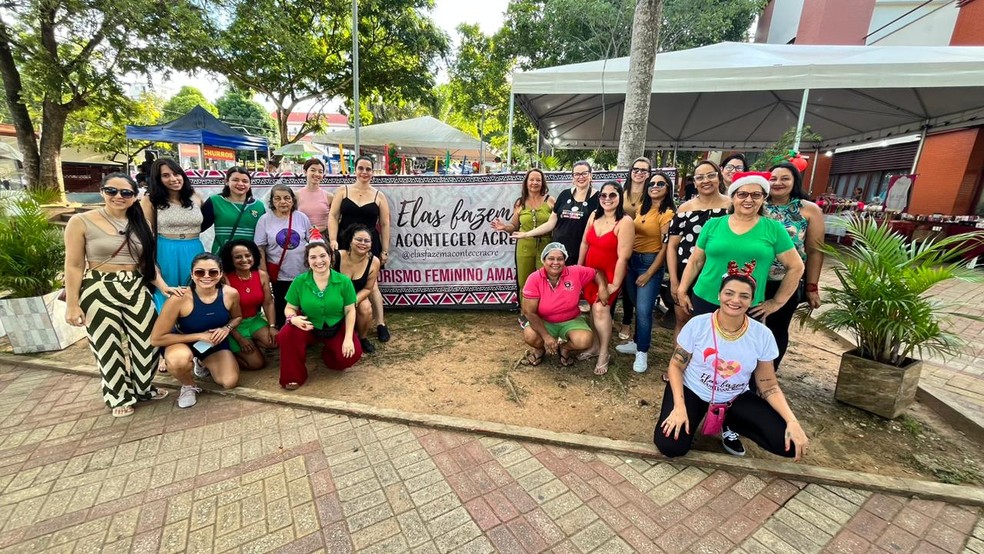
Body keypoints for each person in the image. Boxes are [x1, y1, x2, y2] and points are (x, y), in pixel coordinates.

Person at [655, 267, 809, 461]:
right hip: (692, 390)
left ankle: (729, 421)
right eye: (729, 293)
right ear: (719, 295)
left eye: (744, 296)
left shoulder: (762, 335)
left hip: (733, 397)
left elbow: (768, 384)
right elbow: (676, 366)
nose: (735, 300)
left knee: (789, 445)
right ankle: (691, 414)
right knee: (670, 446)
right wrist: (679, 407)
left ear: (752, 300)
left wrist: (792, 421)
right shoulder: (698, 325)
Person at [64, 173, 166, 418]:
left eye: (126, 193)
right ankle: (117, 395)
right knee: (107, 345)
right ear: (102, 192)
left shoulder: (142, 223)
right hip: (99, 286)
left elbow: (148, 263)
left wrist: (163, 287)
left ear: (134, 196)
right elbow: (74, 265)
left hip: (136, 285)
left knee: (148, 341)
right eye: (112, 191)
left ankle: (142, 387)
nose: (119, 197)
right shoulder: (81, 221)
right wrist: (72, 304)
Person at [151, 253, 243, 409]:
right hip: (181, 341)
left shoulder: (230, 294)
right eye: (200, 272)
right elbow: (156, 339)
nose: (206, 276)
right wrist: (200, 336)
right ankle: (187, 385)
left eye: (213, 272)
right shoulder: (179, 298)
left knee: (229, 382)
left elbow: (237, 317)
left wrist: (226, 328)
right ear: (192, 274)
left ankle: (200, 362)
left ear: (220, 274)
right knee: (178, 361)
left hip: (212, 343)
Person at [763, 162, 825, 369]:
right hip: (753, 278)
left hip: (786, 280)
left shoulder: (809, 210)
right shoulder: (757, 204)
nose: (778, 183)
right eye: (773, 179)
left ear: (795, 181)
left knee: (777, 329)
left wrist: (811, 286)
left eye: (785, 178)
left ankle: (768, 375)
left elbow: (815, 251)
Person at [278, 241, 363, 390]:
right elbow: (289, 308)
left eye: (323, 255)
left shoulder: (344, 281)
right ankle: (293, 375)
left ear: (331, 257)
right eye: (313, 257)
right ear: (307, 260)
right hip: (308, 325)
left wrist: (348, 338)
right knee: (286, 333)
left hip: (335, 326)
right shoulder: (299, 282)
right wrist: (293, 318)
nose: (319, 261)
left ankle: (328, 354)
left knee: (349, 356)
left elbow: (350, 310)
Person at [615, 171, 676, 373]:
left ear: (668, 188)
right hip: (632, 260)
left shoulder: (667, 214)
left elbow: (666, 248)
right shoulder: (643, 208)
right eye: (652, 183)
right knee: (633, 303)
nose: (655, 186)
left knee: (643, 310)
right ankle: (636, 342)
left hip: (650, 263)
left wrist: (650, 273)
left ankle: (642, 352)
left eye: (661, 183)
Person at [328, 156, 392, 343]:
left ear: (373, 171)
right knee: (342, 282)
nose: (364, 172)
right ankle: (345, 322)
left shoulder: (379, 195)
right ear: (354, 169)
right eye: (361, 168)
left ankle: (380, 323)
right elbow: (333, 216)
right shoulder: (343, 191)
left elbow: (386, 224)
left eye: (368, 169)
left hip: (369, 244)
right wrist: (332, 240)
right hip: (344, 242)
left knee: (372, 286)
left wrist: (385, 250)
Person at [666, 160, 730, 339]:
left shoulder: (731, 207)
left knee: (716, 325)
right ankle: (680, 364)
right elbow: (672, 246)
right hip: (686, 269)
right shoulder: (685, 208)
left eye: (710, 175)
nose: (706, 181)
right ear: (694, 182)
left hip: (719, 272)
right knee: (683, 320)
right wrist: (674, 281)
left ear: (719, 177)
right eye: (700, 177)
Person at [577, 181, 635, 376]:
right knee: (593, 311)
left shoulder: (625, 221)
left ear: (620, 197)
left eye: (613, 195)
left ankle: (604, 353)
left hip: (610, 274)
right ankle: (594, 346)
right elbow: (585, 242)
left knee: (601, 310)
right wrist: (579, 268)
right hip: (589, 273)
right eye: (604, 195)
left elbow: (623, 256)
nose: (607, 199)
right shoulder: (594, 215)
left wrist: (614, 284)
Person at [521, 242, 608, 367]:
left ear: (565, 260)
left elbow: (597, 272)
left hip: (571, 320)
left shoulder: (575, 272)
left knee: (584, 340)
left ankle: (564, 348)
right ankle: (540, 349)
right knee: (530, 336)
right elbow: (529, 312)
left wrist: (603, 287)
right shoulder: (534, 278)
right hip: (544, 321)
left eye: (560, 259)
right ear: (543, 260)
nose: (556, 263)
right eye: (551, 258)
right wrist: (546, 337)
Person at [141, 158, 205, 311]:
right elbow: (145, 234)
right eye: (166, 175)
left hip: (194, 248)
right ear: (158, 179)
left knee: (197, 290)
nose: (173, 179)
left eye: (176, 174)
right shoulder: (150, 200)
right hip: (166, 250)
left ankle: (195, 329)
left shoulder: (196, 197)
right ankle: (168, 330)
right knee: (168, 293)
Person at [512, 161, 599, 264]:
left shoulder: (599, 198)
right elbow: (550, 223)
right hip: (559, 254)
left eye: (584, 173)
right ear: (572, 177)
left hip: (583, 253)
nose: (580, 177)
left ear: (590, 175)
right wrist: (526, 234)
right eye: (576, 174)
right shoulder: (564, 195)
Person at [490, 168, 554, 298]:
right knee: (525, 281)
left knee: (547, 279)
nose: (534, 182)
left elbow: (557, 222)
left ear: (543, 183)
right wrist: (504, 227)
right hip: (524, 246)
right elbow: (514, 226)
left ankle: (546, 311)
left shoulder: (550, 200)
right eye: (531, 179)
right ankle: (525, 312)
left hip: (546, 245)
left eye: (538, 180)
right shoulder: (520, 203)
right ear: (526, 182)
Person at [254, 184, 312, 327]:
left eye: (287, 198)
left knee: (305, 304)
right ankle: (283, 333)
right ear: (272, 201)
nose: (283, 202)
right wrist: (264, 272)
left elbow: (311, 242)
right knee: (282, 305)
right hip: (280, 274)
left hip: (302, 272)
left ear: (293, 200)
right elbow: (260, 248)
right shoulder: (264, 220)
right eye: (278, 198)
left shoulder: (301, 217)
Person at [219, 239, 278, 370]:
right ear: (230, 259)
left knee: (275, 341)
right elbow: (224, 314)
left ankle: (253, 345)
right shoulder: (226, 278)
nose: (244, 260)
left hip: (254, 320)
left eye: (247, 255)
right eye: (238, 257)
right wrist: (240, 339)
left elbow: (268, 302)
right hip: (233, 326)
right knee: (256, 364)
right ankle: (223, 356)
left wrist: (272, 326)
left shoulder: (261, 275)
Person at [613, 157, 653, 342]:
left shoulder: (652, 194)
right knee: (615, 282)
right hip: (618, 245)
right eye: (636, 169)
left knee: (631, 290)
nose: (639, 173)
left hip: (641, 249)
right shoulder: (622, 192)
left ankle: (627, 322)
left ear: (649, 174)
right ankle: (609, 317)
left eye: (644, 170)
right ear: (630, 171)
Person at [333, 225, 381, 354]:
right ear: (350, 240)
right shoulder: (336, 257)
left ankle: (362, 338)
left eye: (367, 241)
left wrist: (353, 301)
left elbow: (368, 288)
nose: (362, 244)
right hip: (334, 296)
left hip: (356, 295)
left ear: (371, 244)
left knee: (366, 308)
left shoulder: (374, 261)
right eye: (359, 240)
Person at [201, 166, 266, 254]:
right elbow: (199, 227)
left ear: (250, 184)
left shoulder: (259, 206)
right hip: (222, 256)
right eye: (235, 180)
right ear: (227, 182)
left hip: (249, 258)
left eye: (245, 181)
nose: (240, 184)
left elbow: (264, 236)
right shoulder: (215, 201)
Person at [296, 158, 333, 233]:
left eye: (320, 172)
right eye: (313, 170)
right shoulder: (296, 195)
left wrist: (322, 228)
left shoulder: (329, 197)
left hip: (323, 236)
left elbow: (335, 218)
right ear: (305, 172)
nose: (317, 174)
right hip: (302, 236)